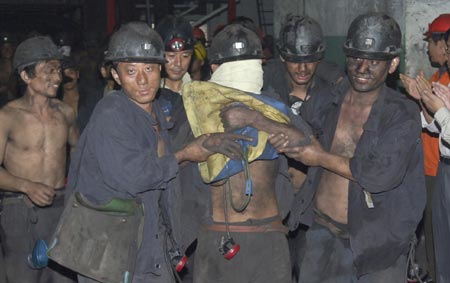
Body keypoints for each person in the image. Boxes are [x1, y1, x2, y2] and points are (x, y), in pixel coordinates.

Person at [224, 12, 426, 282]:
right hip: (322, 234)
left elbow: (379, 176)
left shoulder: (402, 113)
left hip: (378, 245)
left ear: (392, 65)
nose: (362, 68)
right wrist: (255, 118)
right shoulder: (327, 99)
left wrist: (318, 156)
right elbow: (298, 134)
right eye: (355, 58)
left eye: (374, 61)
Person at [66, 21, 249, 283]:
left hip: (148, 245)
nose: (142, 80)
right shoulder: (112, 112)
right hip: (111, 253)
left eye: (150, 69)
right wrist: (185, 154)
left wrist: (204, 144)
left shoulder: (153, 111)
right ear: (116, 76)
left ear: (159, 69)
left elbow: (161, 167)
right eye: (131, 71)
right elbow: (135, 177)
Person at [183, 23, 302, 283]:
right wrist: (202, 145)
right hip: (216, 237)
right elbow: (173, 164)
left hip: (267, 237)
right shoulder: (196, 113)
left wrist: (256, 119)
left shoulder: (273, 107)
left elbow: (305, 145)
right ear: (213, 68)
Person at [0, 35, 79, 282]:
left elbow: (79, 154)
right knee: (23, 276)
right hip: (21, 209)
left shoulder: (65, 113)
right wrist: (27, 186)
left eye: (58, 70)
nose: (57, 78)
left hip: (60, 208)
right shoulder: (8, 117)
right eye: (48, 71)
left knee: (63, 277)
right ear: (26, 76)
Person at [400, 13, 450, 282]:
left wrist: (433, 106)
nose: (429, 48)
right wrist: (422, 98)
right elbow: (433, 124)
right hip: (438, 166)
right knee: (436, 234)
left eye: (432, 41)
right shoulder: (439, 78)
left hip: (437, 167)